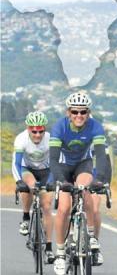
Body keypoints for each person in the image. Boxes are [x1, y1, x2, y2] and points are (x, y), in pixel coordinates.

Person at [49, 92, 108, 275]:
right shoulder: (59, 127)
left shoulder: (95, 126)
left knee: (86, 190)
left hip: (83, 164)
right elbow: (52, 158)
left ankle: (91, 238)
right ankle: (59, 252)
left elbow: (100, 154)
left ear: (88, 113)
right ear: (68, 112)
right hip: (62, 166)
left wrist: (100, 179)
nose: (79, 116)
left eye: (83, 112)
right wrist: (60, 180)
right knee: (64, 207)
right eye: (75, 112)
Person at [13, 111, 55, 263]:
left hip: (46, 171)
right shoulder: (21, 139)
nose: (37, 135)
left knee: (47, 206)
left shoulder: (50, 139)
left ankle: (49, 248)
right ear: (28, 128)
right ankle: (25, 217)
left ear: (44, 129)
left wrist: (51, 182)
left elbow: (56, 163)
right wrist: (19, 181)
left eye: (41, 131)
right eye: (34, 131)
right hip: (27, 169)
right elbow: (16, 163)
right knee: (28, 186)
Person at [89, 141, 112, 265]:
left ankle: (95, 245)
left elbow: (107, 165)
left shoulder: (100, 141)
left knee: (95, 208)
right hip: (76, 175)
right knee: (71, 204)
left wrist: (106, 183)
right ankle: (70, 237)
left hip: (95, 177)